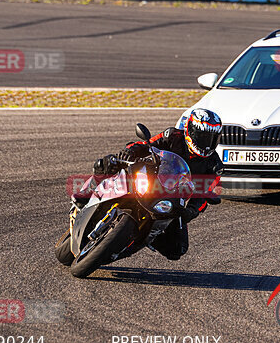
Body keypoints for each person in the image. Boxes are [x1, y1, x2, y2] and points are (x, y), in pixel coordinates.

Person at [72, 108, 224, 260]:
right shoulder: (173, 136)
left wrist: (192, 210)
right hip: (150, 176)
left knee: (178, 248)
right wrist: (129, 151)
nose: (206, 143)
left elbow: (206, 193)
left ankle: (147, 237)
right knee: (107, 163)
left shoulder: (214, 165)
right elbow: (146, 144)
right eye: (202, 136)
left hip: (172, 199)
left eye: (211, 138)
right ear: (189, 130)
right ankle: (87, 192)